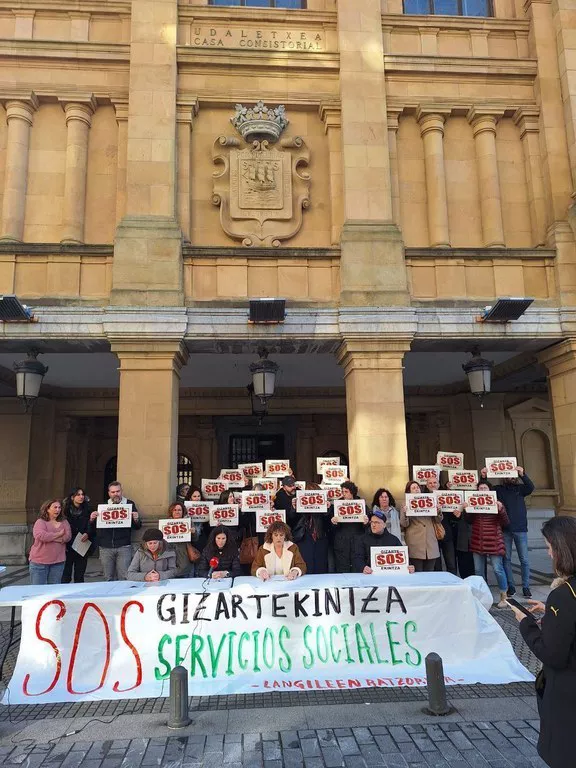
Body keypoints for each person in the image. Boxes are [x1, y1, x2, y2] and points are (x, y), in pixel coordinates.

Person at [510, 516, 576, 768]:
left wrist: (525, 623)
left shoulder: (563, 595)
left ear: (562, 549)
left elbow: (552, 654)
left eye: (550, 548)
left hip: (567, 698)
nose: (548, 554)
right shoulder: (562, 598)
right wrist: (550, 610)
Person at [482, 464, 534, 596]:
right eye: (506, 475)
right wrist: (484, 476)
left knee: (525, 560)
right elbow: (485, 490)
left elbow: (531, 487)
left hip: (521, 528)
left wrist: (523, 474)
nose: (509, 477)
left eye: (512, 475)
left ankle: (526, 586)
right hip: (505, 529)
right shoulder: (498, 490)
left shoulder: (521, 489)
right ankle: (511, 586)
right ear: (502, 477)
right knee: (507, 559)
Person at [461, 480, 509, 608]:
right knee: (478, 570)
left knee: (498, 569)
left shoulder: (497, 503)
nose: (482, 490)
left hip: (494, 540)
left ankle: (504, 596)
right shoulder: (473, 503)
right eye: (480, 488)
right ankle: (482, 596)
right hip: (478, 540)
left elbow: (505, 523)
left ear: (490, 490)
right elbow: (469, 521)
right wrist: (466, 510)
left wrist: (501, 509)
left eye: (485, 488)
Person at [89, 481, 141, 581]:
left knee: (124, 576)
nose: (115, 494)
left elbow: (137, 526)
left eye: (118, 491)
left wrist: (136, 519)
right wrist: (92, 519)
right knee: (108, 577)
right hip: (105, 547)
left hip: (123, 546)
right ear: (109, 493)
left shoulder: (129, 504)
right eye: (113, 492)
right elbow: (94, 528)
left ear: (121, 491)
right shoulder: (103, 505)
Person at [353, 509, 415, 574]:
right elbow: (357, 558)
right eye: (372, 522)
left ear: (384, 525)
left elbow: (404, 559)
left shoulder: (393, 539)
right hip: (369, 576)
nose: (373, 525)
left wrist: (409, 566)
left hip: (390, 576)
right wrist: (363, 567)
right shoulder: (362, 539)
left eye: (377, 522)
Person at [400, 480, 441, 572]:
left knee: (430, 571)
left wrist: (438, 511)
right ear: (408, 491)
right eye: (413, 488)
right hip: (415, 543)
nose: (416, 489)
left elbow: (438, 520)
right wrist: (405, 513)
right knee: (418, 571)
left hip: (430, 542)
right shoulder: (405, 504)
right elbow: (404, 524)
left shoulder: (429, 500)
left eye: (417, 487)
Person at [29, 499, 72, 585]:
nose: (58, 510)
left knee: (54, 589)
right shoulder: (40, 522)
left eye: (59, 507)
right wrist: (58, 534)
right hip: (39, 562)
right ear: (47, 509)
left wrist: (52, 537)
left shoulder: (64, 522)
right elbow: (40, 536)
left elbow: (67, 536)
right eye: (55, 507)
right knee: (37, 589)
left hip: (58, 562)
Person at [330, 481, 369, 573]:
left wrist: (366, 522)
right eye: (342, 492)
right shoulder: (337, 505)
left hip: (357, 540)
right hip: (341, 542)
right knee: (342, 567)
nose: (344, 494)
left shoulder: (362, 505)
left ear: (352, 492)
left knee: (357, 565)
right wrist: (333, 522)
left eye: (346, 492)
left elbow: (368, 526)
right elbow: (331, 527)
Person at [293, 482, 330, 574]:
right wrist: (294, 508)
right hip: (304, 539)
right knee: (306, 566)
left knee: (320, 567)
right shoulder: (299, 505)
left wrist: (327, 510)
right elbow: (292, 520)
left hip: (320, 540)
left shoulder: (324, 507)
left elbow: (329, 525)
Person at [423, 475, 457, 575]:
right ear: (427, 485)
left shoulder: (446, 495)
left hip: (446, 534)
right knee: (436, 566)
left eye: (434, 483)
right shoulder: (423, 497)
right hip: (431, 536)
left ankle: (453, 585)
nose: (432, 485)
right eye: (430, 483)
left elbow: (453, 516)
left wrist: (457, 515)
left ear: (438, 484)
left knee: (451, 563)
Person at [62, 487, 93, 584]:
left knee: (79, 574)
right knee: (66, 574)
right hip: (68, 544)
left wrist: (88, 533)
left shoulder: (88, 509)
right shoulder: (65, 510)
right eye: (78, 495)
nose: (81, 497)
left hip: (82, 543)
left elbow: (92, 525)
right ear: (72, 497)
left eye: (82, 494)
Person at [166, 501, 200, 577]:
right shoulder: (165, 523)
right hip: (171, 555)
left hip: (185, 555)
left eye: (179, 510)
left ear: (183, 512)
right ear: (171, 512)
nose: (177, 512)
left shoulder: (188, 523)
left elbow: (195, 539)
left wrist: (194, 532)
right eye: (175, 510)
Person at [185, 484, 208, 549]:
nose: (197, 498)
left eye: (199, 496)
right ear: (190, 498)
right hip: (190, 538)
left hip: (202, 536)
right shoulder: (184, 508)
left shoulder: (206, 507)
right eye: (194, 496)